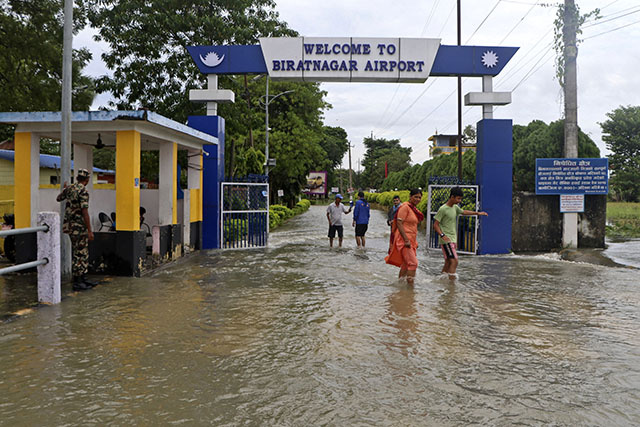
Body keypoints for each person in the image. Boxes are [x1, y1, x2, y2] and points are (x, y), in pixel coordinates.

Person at [433, 186, 488, 280]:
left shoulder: (455, 207)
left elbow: (464, 212)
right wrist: (442, 235)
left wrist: (478, 213)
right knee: (454, 261)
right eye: (458, 198)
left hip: (453, 239)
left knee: (448, 261)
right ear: (452, 197)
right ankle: (451, 284)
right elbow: (435, 225)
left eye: (461, 198)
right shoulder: (443, 209)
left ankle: (441, 280)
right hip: (446, 240)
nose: (460, 201)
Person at [56, 168, 95, 291]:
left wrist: (65, 189)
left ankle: (82, 278)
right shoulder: (83, 191)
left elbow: (59, 198)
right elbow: (85, 211)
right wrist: (89, 230)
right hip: (80, 226)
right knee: (80, 253)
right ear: (87, 179)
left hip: (70, 226)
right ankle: (78, 281)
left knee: (79, 252)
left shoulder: (70, 188)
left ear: (78, 178)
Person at [385, 188, 424, 286]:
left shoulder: (414, 209)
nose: (417, 199)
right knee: (413, 263)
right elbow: (399, 222)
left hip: (411, 240)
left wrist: (415, 242)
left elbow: (413, 227)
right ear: (410, 197)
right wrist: (406, 240)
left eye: (419, 197)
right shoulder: (405, 207)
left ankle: (400, 287)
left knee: (406, 264)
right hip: (404, 240)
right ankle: (410, 289)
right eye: (415, 197)